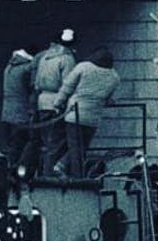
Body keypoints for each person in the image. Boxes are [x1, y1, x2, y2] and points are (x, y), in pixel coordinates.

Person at [54, 48, 120, 178]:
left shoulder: (83, 67)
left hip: (74, 115)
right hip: (93, 118)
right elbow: (108, 99)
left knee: (74, 148)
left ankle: (76, 178)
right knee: (82, 148)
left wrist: (57, 104)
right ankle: (62, 166)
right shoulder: (114, 77)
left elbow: (67, 87)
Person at [33, 29, 77, 176]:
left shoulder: (44, 58)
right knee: (57, 143)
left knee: (46, 143)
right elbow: (68, 84)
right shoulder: (67, 59)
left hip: (42, 102)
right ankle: (50, 176)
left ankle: (44, 174)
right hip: (57, 103)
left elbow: (37, 84)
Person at [0, 47, 37, 174]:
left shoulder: (8, 67)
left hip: (7, 112)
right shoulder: (26, 68)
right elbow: (31, 89)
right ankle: (18, 170)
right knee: (23, 143)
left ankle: (10, 169)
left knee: (12, 143)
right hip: (21, 112)